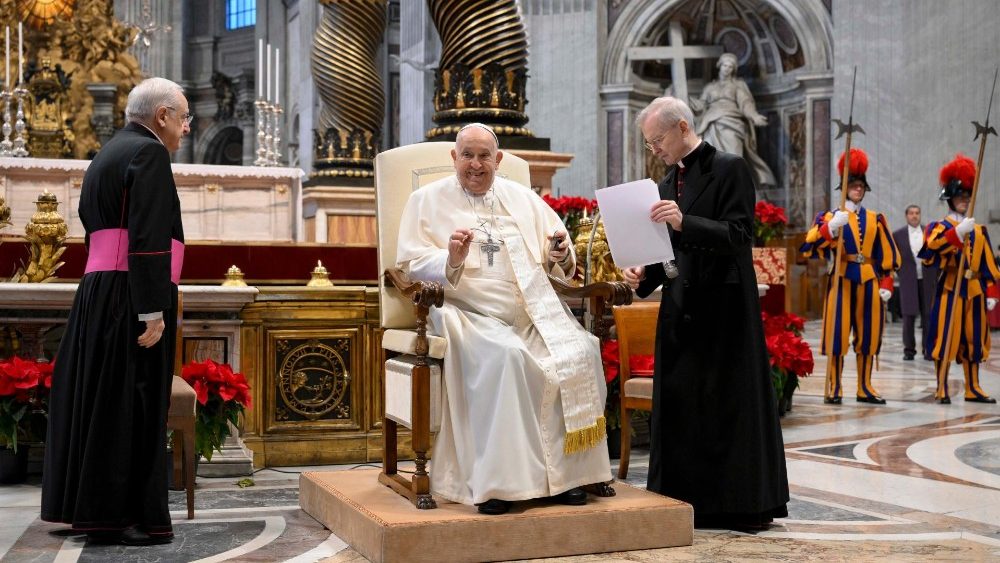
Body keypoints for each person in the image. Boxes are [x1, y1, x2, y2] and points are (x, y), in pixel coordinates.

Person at [396, 123, 612, 515]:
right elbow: (408, 266)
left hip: (533, 314)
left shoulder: (524, 199)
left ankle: (568, 478)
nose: (475, 165)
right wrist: (451, 259)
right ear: (454, 158)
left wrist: (562, 254)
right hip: (466, 313)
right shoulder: (425, 201)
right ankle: (499, 485)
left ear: (498, 160)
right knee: (507, 357)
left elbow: (558, 256)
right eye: (467, 155)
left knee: (582, 348)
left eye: (484, 157)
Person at [622, 96, 788, 530]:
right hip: (681, 310)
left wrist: (684, 223)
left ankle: (736, 505)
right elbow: (667, 254)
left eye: (658, 140)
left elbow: (739, 234)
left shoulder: (728, 167)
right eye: (649, 143)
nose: (654, 149)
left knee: (724, 406)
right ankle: (681, 500)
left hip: (723, 312)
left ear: (681, 128)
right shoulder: (663, 183)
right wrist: (641, 275)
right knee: (682, 409)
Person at [41, 77, 190, 546]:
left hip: (100, 289)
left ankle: (88, 507)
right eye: (183, 117)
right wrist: (152, 309)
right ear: (161, 116)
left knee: (99, 400)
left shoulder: (106, 153)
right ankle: (122, 514)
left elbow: (95, 231)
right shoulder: (148, 154)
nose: (185, 128)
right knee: (131, 402)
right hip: (131, 293)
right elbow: (147, 236)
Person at [801, 148, 901, 405]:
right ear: (845, 188)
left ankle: (864, 386)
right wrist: (830, 227)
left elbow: (886, 254)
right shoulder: (829, 216)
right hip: (841, 277)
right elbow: (810, 244)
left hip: (868, 279)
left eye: (861, 186)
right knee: (837, 334)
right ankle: (834, 386)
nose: (858, 189)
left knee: (868, 334)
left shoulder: (876, 218)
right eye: (853, 185)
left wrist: (886, 282)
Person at [918, 154, 1000, 404]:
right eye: (959, 197)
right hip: (951, 288)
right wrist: (956, 234)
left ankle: (972, 387)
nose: (964, 201)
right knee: (944, 337)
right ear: (950, 199)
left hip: (974, 290)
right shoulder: (938, 227)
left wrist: (993, 293)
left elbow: (989, 264)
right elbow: (930, 250)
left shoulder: (979, 230)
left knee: (975, 340)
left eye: (967, 197)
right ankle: (941, 386)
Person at [689, 52, 776, 188]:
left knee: (734, 157)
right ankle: (713, 188)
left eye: (730, 66)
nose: (727, 69)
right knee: (711, 158)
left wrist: (754, 116)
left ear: (733, 69)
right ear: (719, 66)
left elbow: (746, 103)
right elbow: (702, 105)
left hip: (732, 122)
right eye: (725, 65)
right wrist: (693, 103)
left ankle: (734, 188)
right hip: (711, 123)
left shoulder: (738, 86)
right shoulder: (710, 87)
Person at [892, 205, 938, 361]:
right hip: (908, 279)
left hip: (927, 278)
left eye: (917, 213)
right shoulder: (898, 235)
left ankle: (928, 349)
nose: (914, 216)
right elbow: (894, 258)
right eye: (911, 213)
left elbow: (936, 255)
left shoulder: (930, 233)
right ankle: (909, 350)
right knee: (908, 315)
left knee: (928, 315)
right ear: (906, 216)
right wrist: (902, 273)